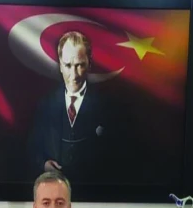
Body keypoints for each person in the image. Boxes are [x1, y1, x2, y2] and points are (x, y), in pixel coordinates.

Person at [27, 31, 123, 184]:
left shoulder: (107, 107)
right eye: (68, 65)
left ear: (89, 64)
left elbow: (117, 156)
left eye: (79, 65)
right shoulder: (45, 105)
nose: (74, 75)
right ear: (60, 65)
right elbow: (33, 149)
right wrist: (44, 165)